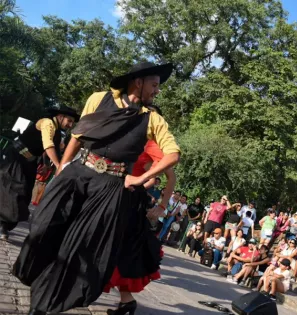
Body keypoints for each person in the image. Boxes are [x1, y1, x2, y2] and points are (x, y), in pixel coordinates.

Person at [13, 62, 180, 315]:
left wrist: (141, 178)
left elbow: (172, 155)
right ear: (138, 82)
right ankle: (37, 278)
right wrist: (61, 170)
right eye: (154, 85)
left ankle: (44, 304)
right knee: (43, 227)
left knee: (78, 246)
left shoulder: (153, 119)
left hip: (110, 187)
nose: (157, 91)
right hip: (78, 173)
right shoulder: (99, 99)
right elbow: (78, 136)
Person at [103, 104, 178, 315]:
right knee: (117, 248)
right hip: (114, 193)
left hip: (128, 202)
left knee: (117, 248)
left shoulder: (153, 143)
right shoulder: (128, 134)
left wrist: (162, 205)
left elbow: (170, 177)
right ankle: (126, 301)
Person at [0, 104, 79, 240]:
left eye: (72, 122)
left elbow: (44, 150)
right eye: (69, 121)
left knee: (25, 194)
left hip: (29, 162)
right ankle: (3, 225)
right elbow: (48, 145)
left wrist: (47, 165)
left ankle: (6, 225)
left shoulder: (57, 132)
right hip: (16, 158)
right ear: (60, 117)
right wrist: (59, 165)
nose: (70, 125)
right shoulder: (47, 123)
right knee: (13, 191)